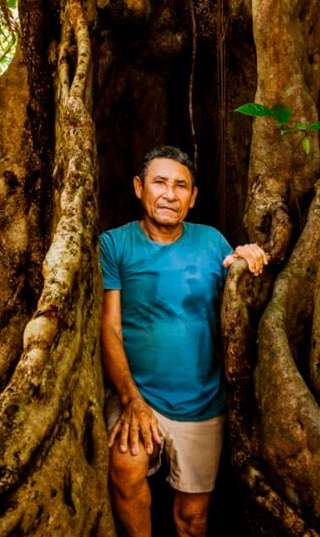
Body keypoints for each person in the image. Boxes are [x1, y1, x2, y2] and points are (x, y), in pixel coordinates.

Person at [100, 145, 268, 537]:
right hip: (139, 395)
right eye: (160, 183)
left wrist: (248, 254)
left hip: (204, 401)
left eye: (180, 186)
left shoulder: (211, 242)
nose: (169, 194)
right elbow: (109, 329)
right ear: (139, 187)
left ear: (192, 199)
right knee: (126, 465)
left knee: (192, 520)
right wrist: (131, 401)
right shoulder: (114, 245)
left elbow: (241, 285)